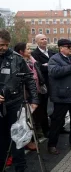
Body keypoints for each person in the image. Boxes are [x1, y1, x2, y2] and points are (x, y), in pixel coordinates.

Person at [0, 29, 39, 172]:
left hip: (15, 104)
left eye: (5, 45)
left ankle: (20, 168)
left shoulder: (17, 58)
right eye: (0, 45)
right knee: (2, 140)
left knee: (18, 138)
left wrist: (34, 99)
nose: (3, 48)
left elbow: (29, 79)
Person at [47, 39, 71, 155]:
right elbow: (54, 72)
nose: (70, 48)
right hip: (62, 96)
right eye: (68, 47)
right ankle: (52, 145)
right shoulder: (54, 59)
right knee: (57, 121)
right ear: (61, 48)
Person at [14, 42, 45, 151]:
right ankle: (27, 141)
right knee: (25, 119)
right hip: (24, 95)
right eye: (27, 49)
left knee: (34, 117)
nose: (30, 51)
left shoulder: (31, 60)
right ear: (21, 52)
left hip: (34, 92)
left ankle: (32, 137)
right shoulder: (18, 63)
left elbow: (36, 75)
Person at [31, 34, 57, 137]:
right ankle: (46, 129)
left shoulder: (52, 53)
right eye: (42, 39)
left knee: (57, 107)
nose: (45, 40)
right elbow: (38, 68)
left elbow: (56, 66)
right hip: (43, 86)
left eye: (46, 39)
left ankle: (59, 126)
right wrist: (49, 67)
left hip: (55, 84)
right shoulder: (34, 54)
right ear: (37, 41)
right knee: (43, 108)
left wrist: (47, 66)